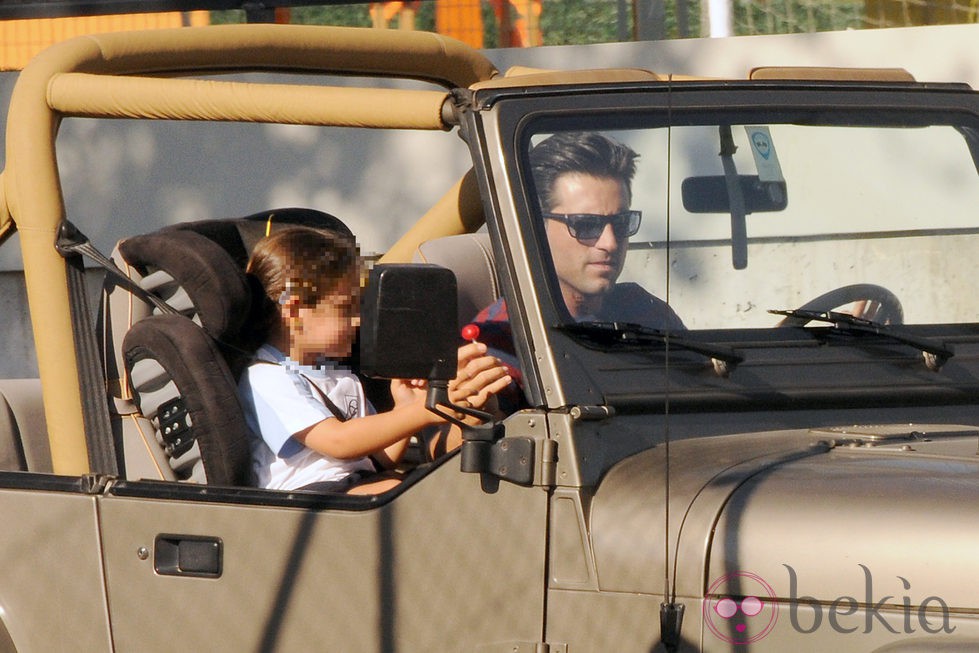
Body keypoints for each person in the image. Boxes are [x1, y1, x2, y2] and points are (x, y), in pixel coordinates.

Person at [238, 226, 511, 495]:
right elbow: (339, 441)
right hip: (307, 499)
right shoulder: (266, 378)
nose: (358, 320)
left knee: (428, 487)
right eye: (346, 309)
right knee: (410, 496)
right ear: (295, 310)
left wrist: (406, 405)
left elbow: (380, 457)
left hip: (356, 486)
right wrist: (425, 411)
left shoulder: (339, 374)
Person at [472, 132, 684, 409]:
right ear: (534, 228)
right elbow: (461, 442)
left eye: (621, 222)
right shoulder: (499, 339)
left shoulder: (645, 313)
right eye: (585, 225)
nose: (609, 242)